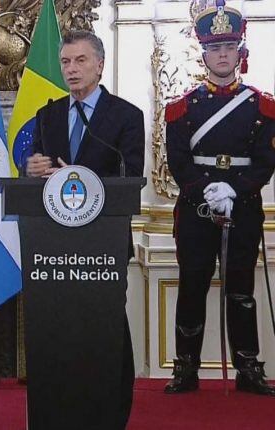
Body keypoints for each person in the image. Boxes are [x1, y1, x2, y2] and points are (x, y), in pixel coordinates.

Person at [25, 30, 145, 428]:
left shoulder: (126, 116)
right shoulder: (48, 114)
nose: (71, 70)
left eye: (79, 61)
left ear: (100, 65)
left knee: (104, 326)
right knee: (61, 327)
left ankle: (110, 411)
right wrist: (34, 170)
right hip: (56, 247)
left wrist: (73, 174)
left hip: (103, 245)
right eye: (65, 62)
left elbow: (131, 176)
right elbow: (38, 169)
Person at [164, 0, 275, 396]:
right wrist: (207, 190)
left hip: (242, 209)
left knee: (241, 290)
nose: (222, 55)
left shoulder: (263, 106)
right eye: (215, 48)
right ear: (204, 52)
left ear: (240, 52)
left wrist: (235, 189)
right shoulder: (181, 108)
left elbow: (265, 161)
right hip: (197, 208)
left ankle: (248, 369)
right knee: (192, 285)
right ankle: (186, 369)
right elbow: (177, 160)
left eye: (229, 47)